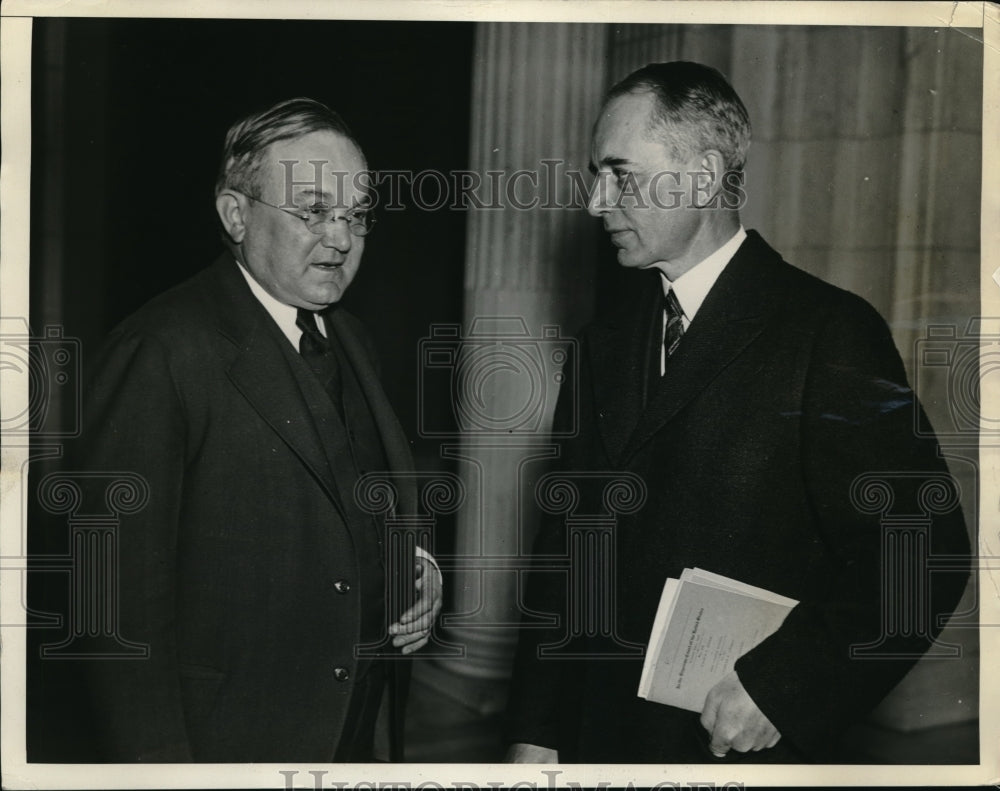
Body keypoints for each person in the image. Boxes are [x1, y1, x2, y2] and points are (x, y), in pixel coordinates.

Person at [504, 62, 971, 764]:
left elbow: (923, 552)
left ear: (702, 176)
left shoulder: (827, 332)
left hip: (732, 748)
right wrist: (535, 729)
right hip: (597, 744)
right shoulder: (604, 342)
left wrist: (785, 689)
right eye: (596, 175)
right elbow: (565, 552)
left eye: (620, 174)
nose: (597, 202)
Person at [71, 98, 441, 762]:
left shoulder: (352, 338)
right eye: (313, 211)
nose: (341, 238)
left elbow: (355, 499)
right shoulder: (161, 351)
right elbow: (114, 616)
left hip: (354, 736)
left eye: (356, 214)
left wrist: (415, 567)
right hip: (228, 745)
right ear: (236, 215)